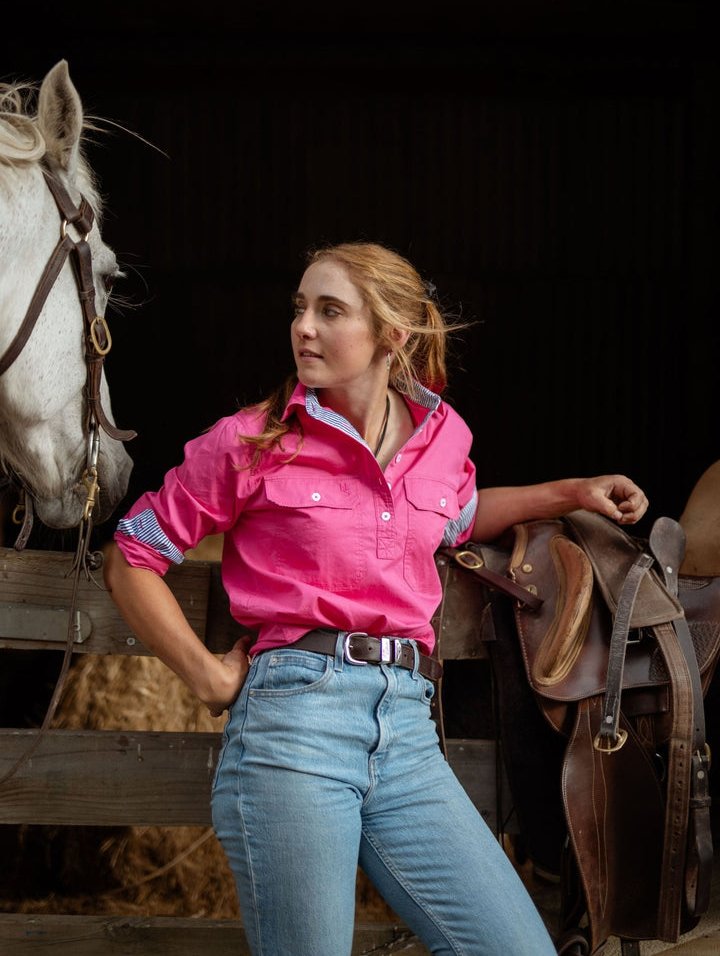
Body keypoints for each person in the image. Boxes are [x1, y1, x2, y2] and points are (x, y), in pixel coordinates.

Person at [104, 242, 648, 956]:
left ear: (392, 334)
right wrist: (206, 675)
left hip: (407, 730)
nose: (303, 327)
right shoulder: (251, 440)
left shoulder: (443, 436)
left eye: (330, 311)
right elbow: (131, 554)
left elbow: (452, 515)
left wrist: (569, 493)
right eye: (300, 308)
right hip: (294, 726)